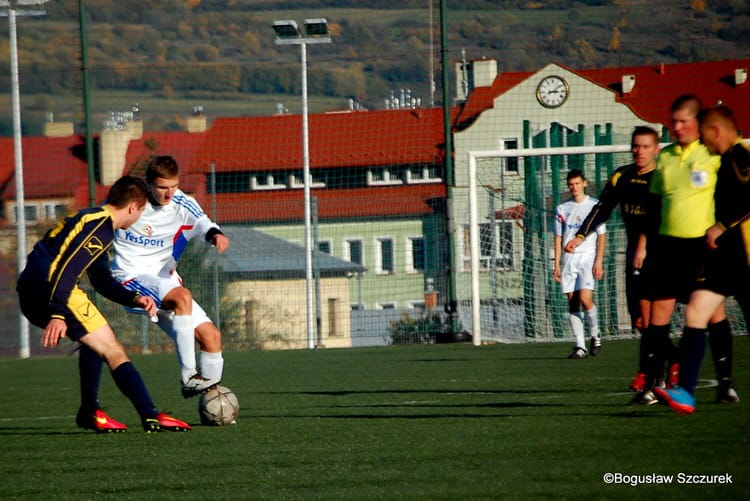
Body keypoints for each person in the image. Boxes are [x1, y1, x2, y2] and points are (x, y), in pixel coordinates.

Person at [16, 176, 191, 433]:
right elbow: (66, 269)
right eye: (141, 212)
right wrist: (58, 313)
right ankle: (151, 415)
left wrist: (133, 298)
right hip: (53, 290)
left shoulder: (89, 220)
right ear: (133, 207)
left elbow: (101, 281)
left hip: (32, 288)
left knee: (94, 341)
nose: (138, 218)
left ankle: (90, 412)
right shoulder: (100, 228)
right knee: (113, 349)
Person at [633, 94, 736, 406]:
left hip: (702, 248)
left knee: (713, 313)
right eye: (673, 121)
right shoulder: (664, 159)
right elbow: (654, 207)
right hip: (667, 248)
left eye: (683, 121)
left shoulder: (713, 155)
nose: (676, 127)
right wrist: (644, 244)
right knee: (657, 316)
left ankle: (725, 384)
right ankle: (652, 384)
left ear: (697, 122)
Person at [655, 105, 749, 414]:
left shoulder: (741, 153)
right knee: (696, 312)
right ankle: (686, 391)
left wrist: (722, 225)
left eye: (704, 135)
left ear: (715, 131)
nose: (703, 144)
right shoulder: (721, 163)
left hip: (747, 257)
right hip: (728, 257)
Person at [112, 155, 229, 398]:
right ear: (149, 184)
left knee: (212, 337)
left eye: (173, 186)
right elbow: (104, 218)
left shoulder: (183, 203)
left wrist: (216, 235)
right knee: (182, 297)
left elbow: (204, 223)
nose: (169, 193)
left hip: (165, 281)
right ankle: (188, 375)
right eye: (162, 187)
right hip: (130, 278)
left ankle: (211, 397)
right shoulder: (132, 202)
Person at [565, 127, 662, 387]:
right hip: (634, 255)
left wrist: (644, 243)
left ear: (656, 149)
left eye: (645, 146)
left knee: (654, 318)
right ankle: (669, 363)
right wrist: (582, 235)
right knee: (641, 321)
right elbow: (603, 208)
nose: (639, 151)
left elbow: (659, 217)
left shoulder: (663, 178)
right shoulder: (622, 176)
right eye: (635, 146)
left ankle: (653, 378)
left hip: (659, 253)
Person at [553, 169, 607, 359]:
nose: (574, 187)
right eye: (571, 184)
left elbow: (601, 236)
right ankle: (580, 346)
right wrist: (557, 264)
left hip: (587, 257)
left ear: (584, 183)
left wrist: (598, 260)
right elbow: (558, 237)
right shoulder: (562, 208)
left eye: (577, 183)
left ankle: (595, 334)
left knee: (585, 299)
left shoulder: (595, 206)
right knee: (572, 301)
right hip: (569, 259)